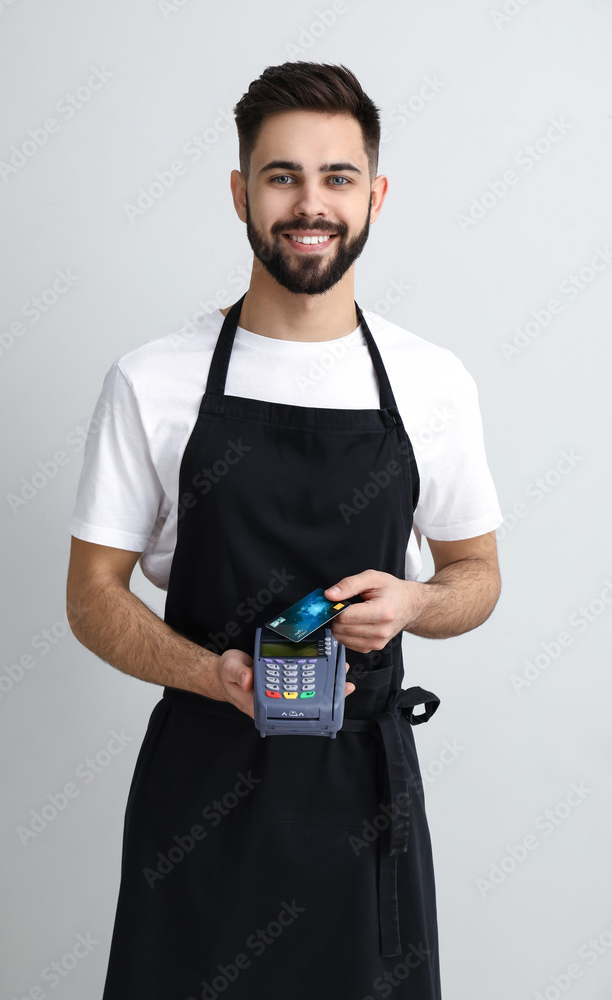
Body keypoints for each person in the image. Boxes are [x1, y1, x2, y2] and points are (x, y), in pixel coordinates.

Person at [66, 61, 503, 1000]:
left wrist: (418, 603)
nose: (312, 203)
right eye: (282, 176)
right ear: (240, 192)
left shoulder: (431, 383)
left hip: (363, 799)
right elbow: (91, 596)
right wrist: (210, 675)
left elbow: (476, 575)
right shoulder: (152, 380)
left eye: (337, 177)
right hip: (202, 792)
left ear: (374, 194)